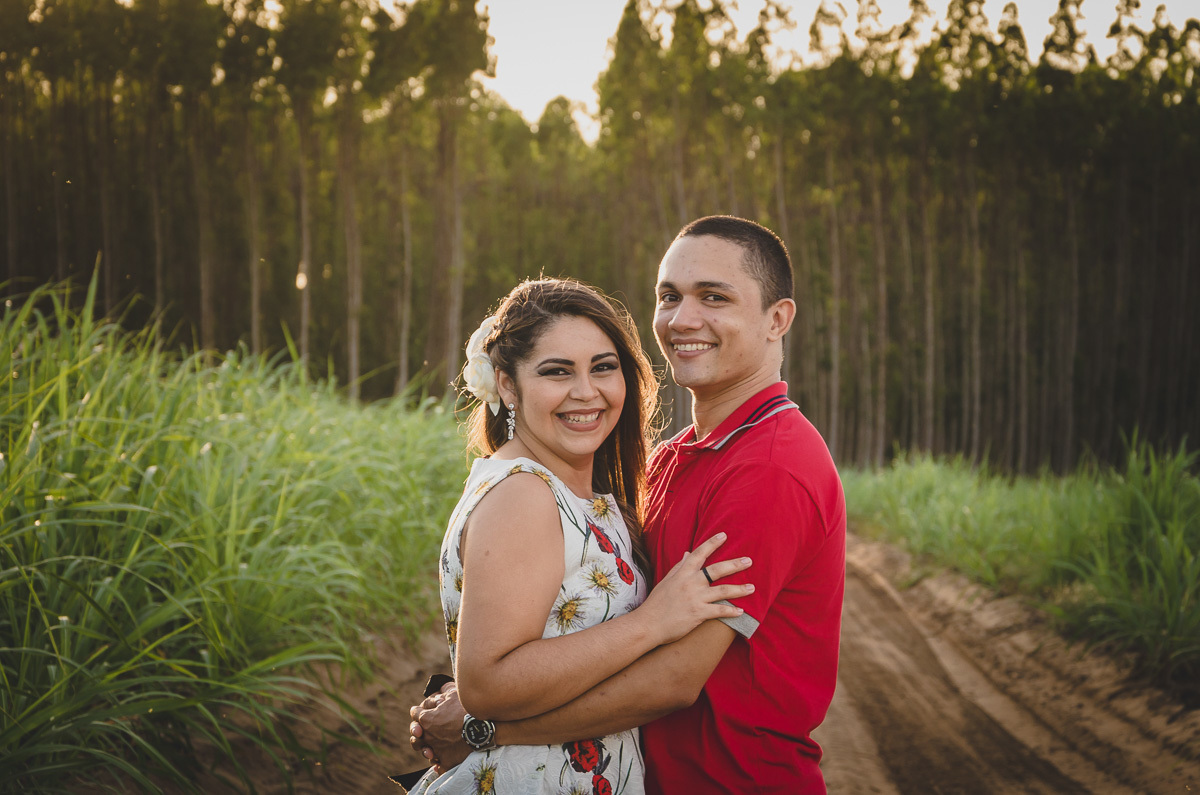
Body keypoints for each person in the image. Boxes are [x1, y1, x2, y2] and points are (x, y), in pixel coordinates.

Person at [412, 217, 846, 794]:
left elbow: (672, 679)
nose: (683, 318)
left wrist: (482, 728)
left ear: (777, 319)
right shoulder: (671, 459)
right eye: (669, 296)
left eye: (713, 297)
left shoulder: (770, 466)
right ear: (508, 386)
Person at [405, 278, 754, 794]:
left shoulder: (575, 492)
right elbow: (487, 683)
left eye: (603, 367)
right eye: (556, 372)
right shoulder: (524, 495)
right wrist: (653, 622)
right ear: (506, 385)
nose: (587, 392)